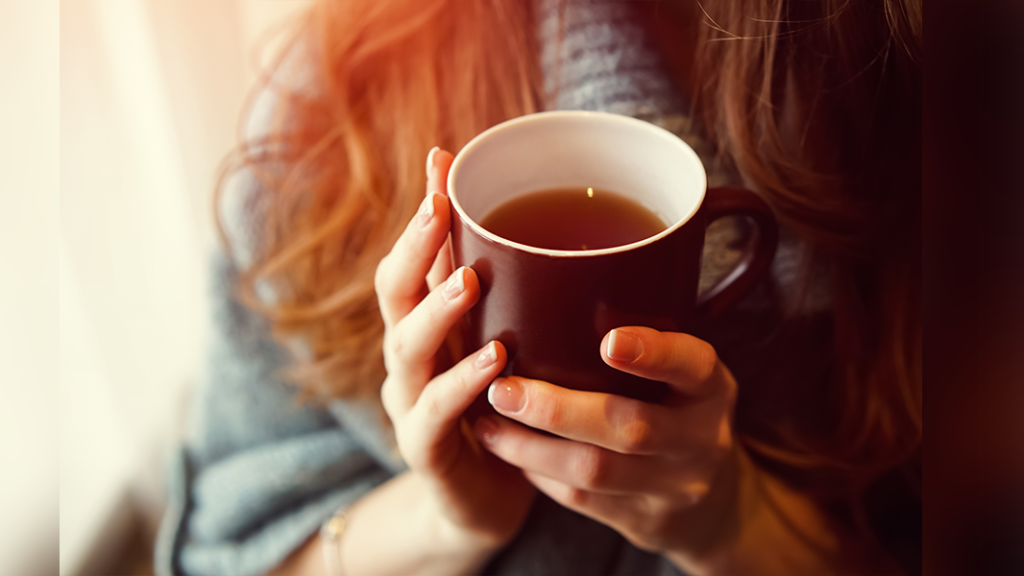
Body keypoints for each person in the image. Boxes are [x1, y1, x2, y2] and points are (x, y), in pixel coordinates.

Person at [155, 0, 921, 575]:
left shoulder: (906, 88)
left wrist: (735, 522)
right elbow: (225, 549)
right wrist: (446, 519)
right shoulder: (338, 100)